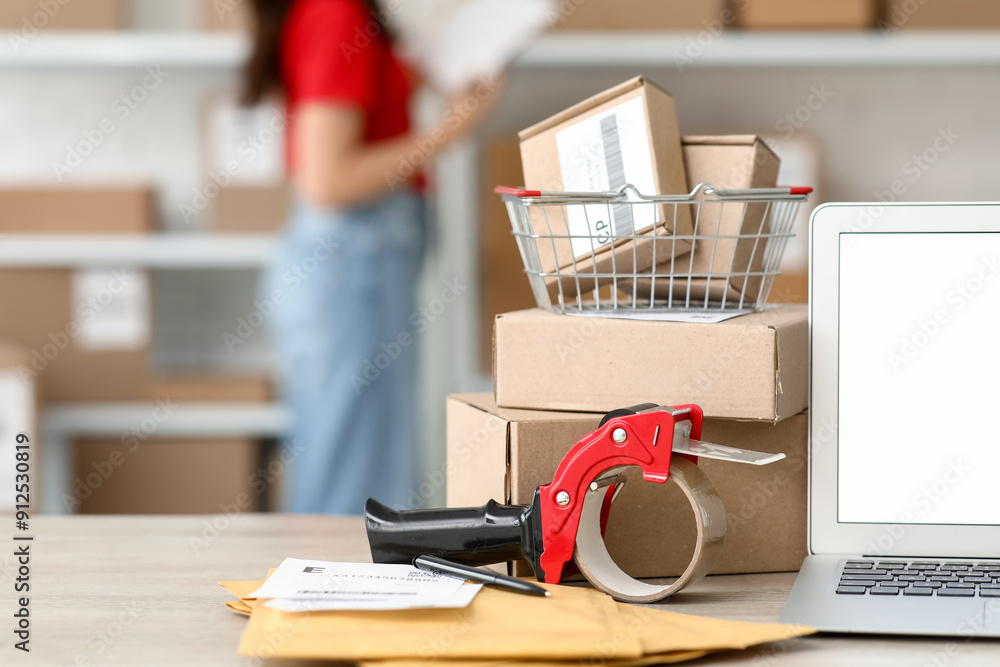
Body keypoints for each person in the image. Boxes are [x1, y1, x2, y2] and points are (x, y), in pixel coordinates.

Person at [242, 0, 496, 514]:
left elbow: (370, 113)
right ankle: (337, 594)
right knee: (355, 486)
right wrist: (450, 130)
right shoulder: (338, 12)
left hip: (353, 268)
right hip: (351, 268)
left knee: (354, 467)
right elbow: (328, 180)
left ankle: (336, 591)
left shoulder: (346, 16)